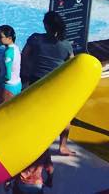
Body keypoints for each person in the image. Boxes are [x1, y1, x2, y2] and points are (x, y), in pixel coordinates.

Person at [22, 11, 75, 155]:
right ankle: (63, 146)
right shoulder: (66, 45)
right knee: (65, 116)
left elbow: (24, 56)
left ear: (45, 25)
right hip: (56, 84)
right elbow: (71, 65)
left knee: (34, 115)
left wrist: (26, 73)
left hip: (36, 81)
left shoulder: (35, 39)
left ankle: (34, 145)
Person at [0, 24, 22, 105]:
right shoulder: (16, 48)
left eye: (0, 37)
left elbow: (8, 76)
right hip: (17, 84)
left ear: (9, 38)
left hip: (8, 88)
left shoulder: (8, 53)